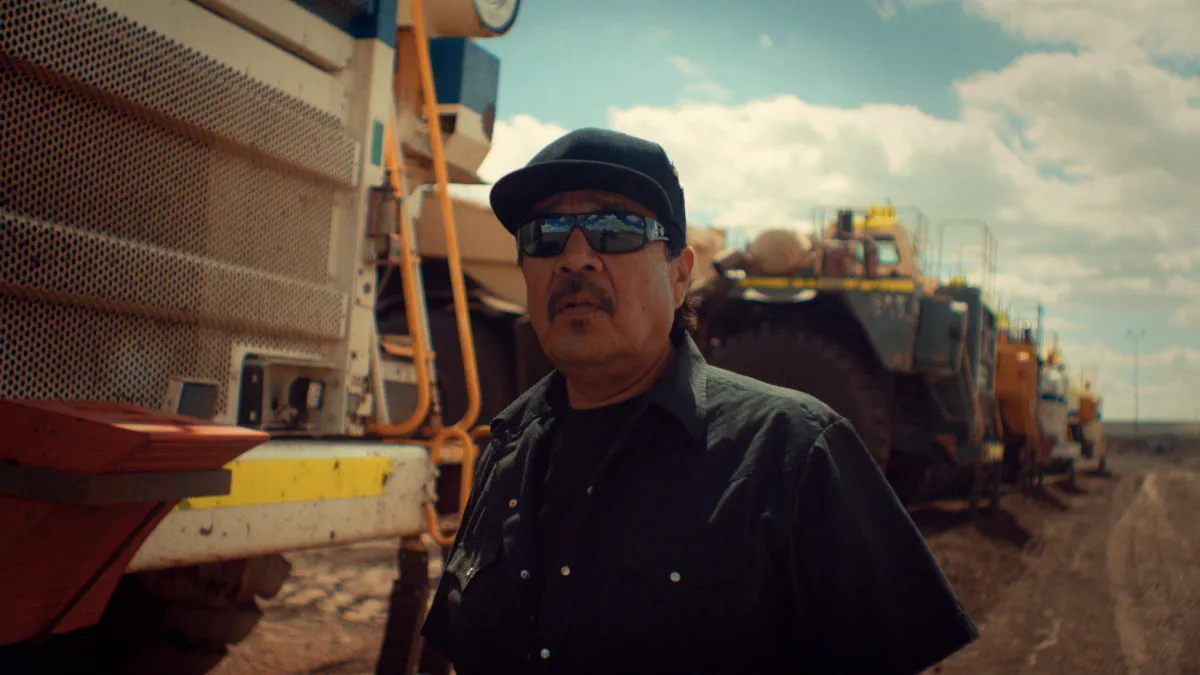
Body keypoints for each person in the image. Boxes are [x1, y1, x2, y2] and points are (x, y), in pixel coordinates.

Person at [420, 127, 978, 674]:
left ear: (681, 276)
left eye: (614, 228)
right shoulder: (505, 448)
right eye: (545, 234)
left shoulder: (796, 453)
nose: (575, 258)